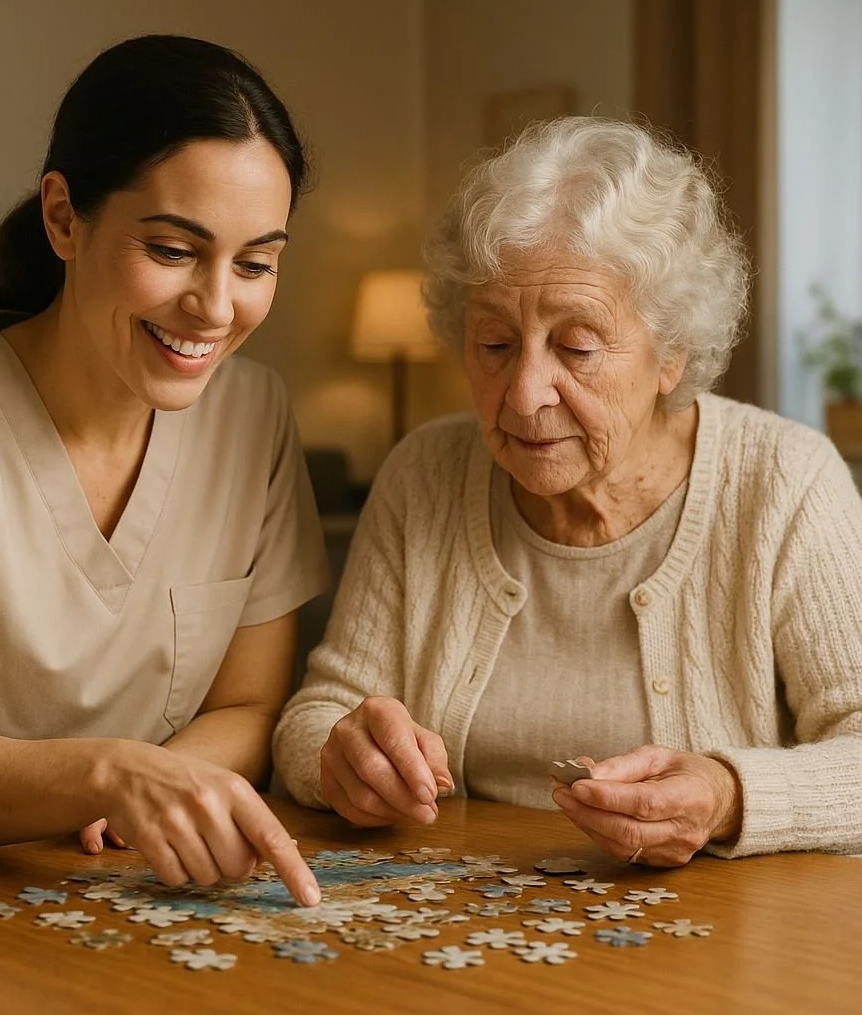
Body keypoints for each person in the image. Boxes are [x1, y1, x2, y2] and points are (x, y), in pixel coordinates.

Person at [274, 116, 862, 866]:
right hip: (460, 926)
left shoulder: (786, 482)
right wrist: (341, 757)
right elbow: (317, 713)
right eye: (493, 344)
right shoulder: (423, 472)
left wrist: (727, 794)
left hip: (721, 948)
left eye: (577, 347)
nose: (523, 394)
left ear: (672, 352)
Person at [0, 35, 328, 906]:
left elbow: (252, 706)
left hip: (147, 893)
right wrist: (113, 777)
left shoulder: (255, 415)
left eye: (255, 264)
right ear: (63, 217)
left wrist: (154, 798)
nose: (216, 307)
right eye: (175, 250)